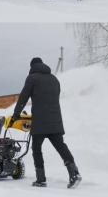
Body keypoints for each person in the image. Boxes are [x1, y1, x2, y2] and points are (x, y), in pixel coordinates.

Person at [12, 57, 82, 189]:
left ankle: (41, 179)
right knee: (61, 146)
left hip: (40, 122)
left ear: (32, 66)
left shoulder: (32, 78)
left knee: (36, 149)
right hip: (55, 121)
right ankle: (74, 173)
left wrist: (16, 114)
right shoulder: (54, 79)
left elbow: (23, 97)